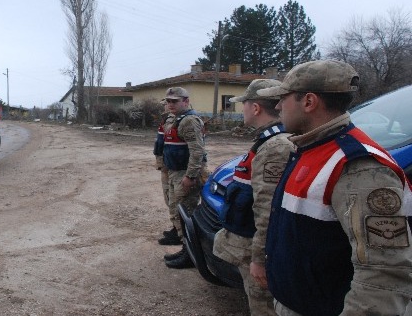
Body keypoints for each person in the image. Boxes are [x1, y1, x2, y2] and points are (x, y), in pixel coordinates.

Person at [256, 60, 412, 315]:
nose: (277, 106)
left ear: (308, 102)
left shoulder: (358, 167)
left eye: (283, 98)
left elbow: (384, 274)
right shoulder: (310, 150)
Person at [212, 79, 294, 316]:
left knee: (263, 307)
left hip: (256, 251)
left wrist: (260, 258)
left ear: (256, 108)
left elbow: (268, 210)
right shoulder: (268, 140)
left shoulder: (276, 146)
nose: (242, 109)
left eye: (244, 104)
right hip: (249, 245)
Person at [159, 87, 207, 268]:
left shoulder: (189, 121)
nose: (170, 104)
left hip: (184, 173)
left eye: (175, 101)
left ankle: (193, 254)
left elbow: (197, 151)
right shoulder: (174, 119)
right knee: (177, 211)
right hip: (174, 171)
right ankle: (187, 249)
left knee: (185, 212)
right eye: (168, 101)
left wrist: (190, 175)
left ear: (185, 101)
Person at [155, 106, 181, 245]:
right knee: (169, 198)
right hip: (166, 164)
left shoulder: (183, 120)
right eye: (165, 103)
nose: (166, 106)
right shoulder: (166, 120)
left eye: (171, 102)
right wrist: (160, 161)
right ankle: (175, 228)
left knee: (177, 201)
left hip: (176, 167)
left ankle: (180, 232)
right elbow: (160, 143)